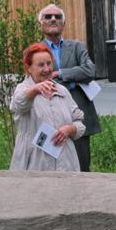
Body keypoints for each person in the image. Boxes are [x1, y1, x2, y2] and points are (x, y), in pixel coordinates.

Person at [39, 4, 101, 172]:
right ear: (41, 24)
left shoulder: (76, 47)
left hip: (78, 115)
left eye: (58, 16)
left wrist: (59, 74)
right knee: (50, 167)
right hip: (48, 117)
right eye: (48, 16)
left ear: (63, 23)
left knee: (82, 168)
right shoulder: (35, 52)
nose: (53, 19)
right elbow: (35, 79)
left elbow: (90, 71)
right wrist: (75, 78)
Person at [10, 43, 86, 171]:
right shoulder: (23, 89)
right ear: (29, 68)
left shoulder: (62, 90)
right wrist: (35, 90)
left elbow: (80, 123)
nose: (46, 69)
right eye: (40, 65)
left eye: (49, 63)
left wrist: (70, 129)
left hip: (66, 162)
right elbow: (18, 104)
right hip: (34, 163)